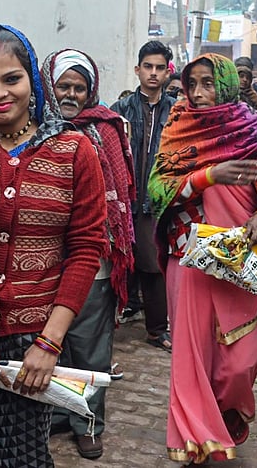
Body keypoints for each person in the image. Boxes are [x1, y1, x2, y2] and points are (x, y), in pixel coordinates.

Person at [149, 53, 257, 465]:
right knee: (191, 354)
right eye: (193, 84)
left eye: (207, 83)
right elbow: (156, 189)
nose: (199, 94)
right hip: (187, 256)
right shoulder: (178, 126)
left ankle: (227, 409)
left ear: (225, 84)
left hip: (238, 259)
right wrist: (208, 176)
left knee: (245, 354)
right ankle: (195, 436)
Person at [0, 23, 106, 467]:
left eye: (11, 79)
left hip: (35, 343)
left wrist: (49, 343)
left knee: (26, 455)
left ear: (33, 81)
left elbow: (84, 248)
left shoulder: (74, 150)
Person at [43, 48, 135, 460]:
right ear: (49, 86)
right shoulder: (35, 128)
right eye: (64, 86)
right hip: (44, 259)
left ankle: (89, 424)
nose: (71, 94)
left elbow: (123, 192)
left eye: (80, 87)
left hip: (94, 256)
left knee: (91, 348)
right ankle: (62, 412)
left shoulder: (107, 129)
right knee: (51, 345)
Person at [110, 40, 174, 352]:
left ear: (166, 72)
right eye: (147, 66)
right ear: (137, 70)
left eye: (159, 68)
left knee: (152, 265)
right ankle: (107, 325)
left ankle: (157, 329)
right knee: (116, 262)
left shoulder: (177, 112)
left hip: (155, 201)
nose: (153, 73)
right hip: (123, 198)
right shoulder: (118, 110)